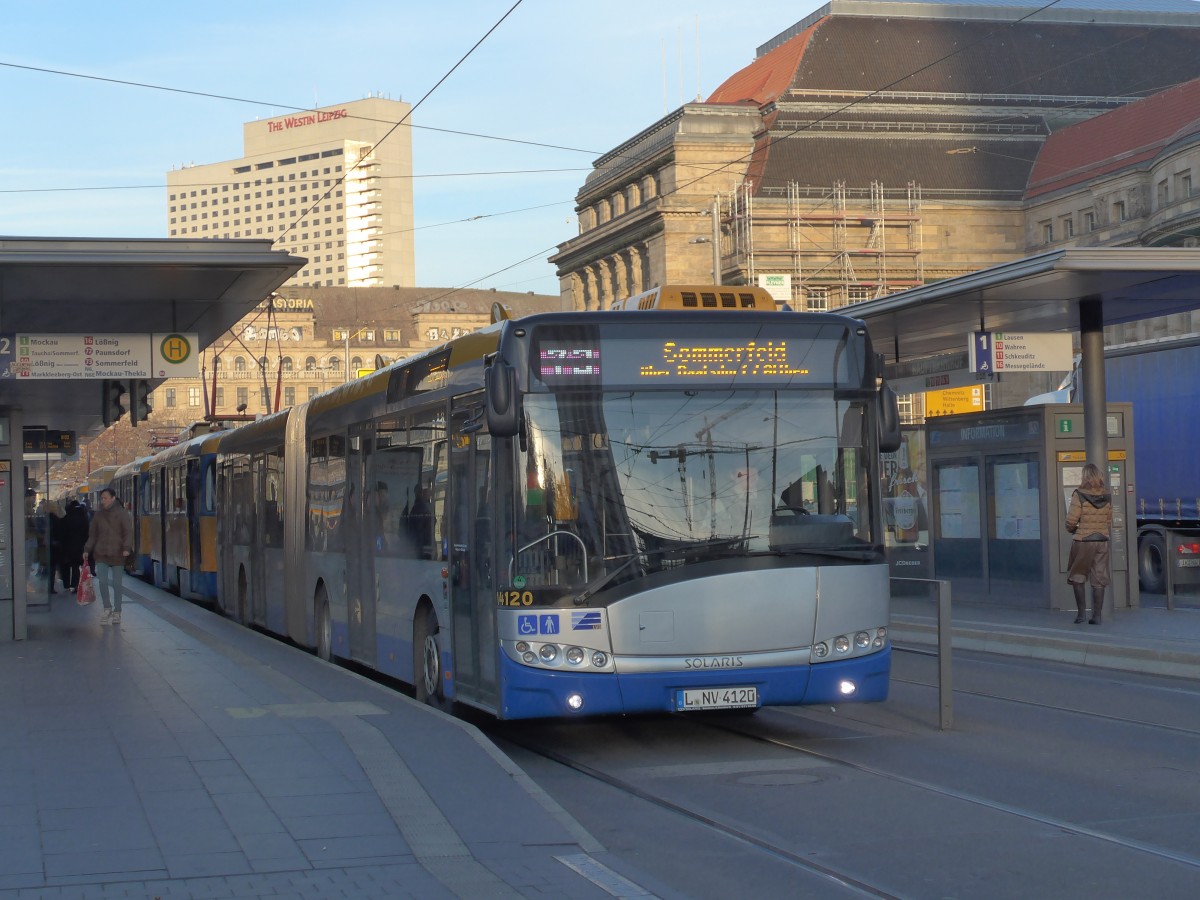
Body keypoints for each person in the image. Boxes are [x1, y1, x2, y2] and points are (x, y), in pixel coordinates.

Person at [1065, 463, 1113, 625]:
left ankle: (1081, 615)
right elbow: (1108, 519)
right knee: (1099, 578)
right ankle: (1097, 616)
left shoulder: (1079, 495)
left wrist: (1072, 529)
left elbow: (1071, 520)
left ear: (1085, 476)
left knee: (1078, 576)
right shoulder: (1107, 495)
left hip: (1083, 541)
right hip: (1102, 541)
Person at [82, 488, 133, 625]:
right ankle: (107, 608)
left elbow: (128, 532)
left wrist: (126, 548)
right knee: (102, 582)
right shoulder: (98, 515)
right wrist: (87, 548)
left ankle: (117, 611)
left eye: (105, 498)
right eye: (102, 498)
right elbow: (93, 534)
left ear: (113, 498)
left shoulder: (122, 514)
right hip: (101, 552)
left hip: (118, 553)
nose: (102, 500)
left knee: (117, 584)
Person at [60, 499, 91, 590]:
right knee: (76, 566)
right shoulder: (84, 518)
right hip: (80, 546)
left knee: (66, 565)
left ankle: (66, 585)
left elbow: (63, 533)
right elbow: (87, 533)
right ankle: (75, 584)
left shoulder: (67, 517)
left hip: (68, 546)